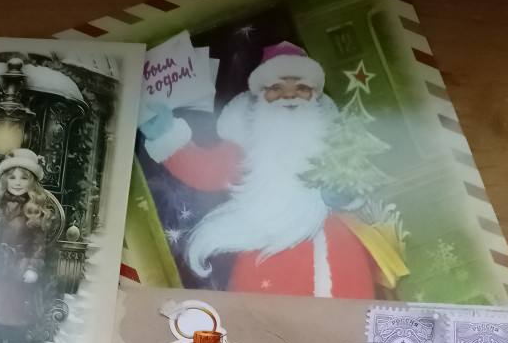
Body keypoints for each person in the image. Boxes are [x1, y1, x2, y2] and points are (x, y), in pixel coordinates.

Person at [141, 42, 403, 298]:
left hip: (333, 245)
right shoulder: (246, 151)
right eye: (277, 88)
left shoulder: (330, 147)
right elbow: (206, 171)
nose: (289, 97)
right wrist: (165, 134)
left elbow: (354, 183)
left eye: (301, 88)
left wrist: (343, 193)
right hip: (265, 253)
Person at [0, 149, 51, 343]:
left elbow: (39, 245)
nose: (17, 183)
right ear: (5, 180)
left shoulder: (33, 210)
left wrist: (33, 267)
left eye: (24, 178)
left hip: (18, 265)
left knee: (12, 305)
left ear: (31, 182)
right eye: (12, 177)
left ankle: (10, 341)